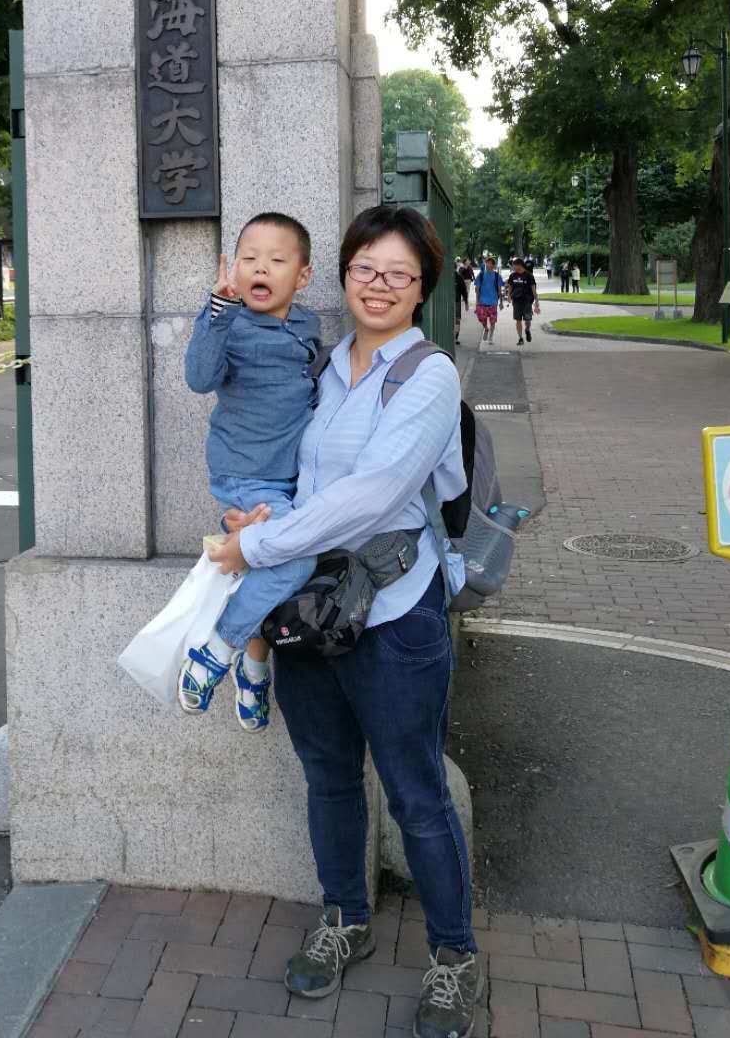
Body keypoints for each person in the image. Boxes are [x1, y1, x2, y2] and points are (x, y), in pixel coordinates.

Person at [207, 205, 482, 1038]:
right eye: (365, 268)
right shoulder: (319, 366)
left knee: (416, 793)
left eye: (399, 273)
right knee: (327, 775)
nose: (379, 285)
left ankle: (453, 957)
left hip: (395, 613)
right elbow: (282, 457)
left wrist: (258, 549)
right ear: (343, 273)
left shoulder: (429, 377)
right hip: (311, 607)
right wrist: (249, 511)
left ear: (422, 286)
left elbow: (375, 495)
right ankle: (345, 920)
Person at [180, 213, 321, 732]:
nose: (261, 268)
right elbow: (198, 378)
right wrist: (217, 310)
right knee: (292, 559)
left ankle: (255, 667)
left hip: (293, 479)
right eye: (249, 258)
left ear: (302, 276)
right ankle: (219, 647)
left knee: (267, 566)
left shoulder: (306, 324)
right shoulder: (226, 322)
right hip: (248, 477)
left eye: (277, 260)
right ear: (233, 268)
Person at [506, 256, 539, 346]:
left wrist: (536, 302)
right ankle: (520, 338)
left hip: (527, 301)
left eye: (514, 266)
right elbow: (510, 286)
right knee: (518, 320)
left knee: (527, 319)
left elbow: (533, 289)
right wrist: (508, 295)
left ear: (519, 265)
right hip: (516, 300)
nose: (513, 268)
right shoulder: (512, 275)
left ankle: (527, 330)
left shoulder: (529, 275)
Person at [474, 254, 502, 343]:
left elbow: (499, 290)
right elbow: (477, 289)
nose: (488, 265)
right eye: (487, 263)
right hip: (482, 302)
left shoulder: (497, 276)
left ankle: (490, 337)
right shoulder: (481, 275)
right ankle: (486, 328)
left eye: (490, 263)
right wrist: (477, 301)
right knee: (483, 319)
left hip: (493, 302)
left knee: (493, 321)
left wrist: (501, 302)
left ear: (493, 265)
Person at [453, 261, 469, 343]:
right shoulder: (458, 277)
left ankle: (455, 336)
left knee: (457, 319)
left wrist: (466, 302)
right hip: (455, 301)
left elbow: (464, 291)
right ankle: (454, 336)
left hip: (457, 301)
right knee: (456, 319)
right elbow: (464, 291)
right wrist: (466, 302)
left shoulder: (458, 277)